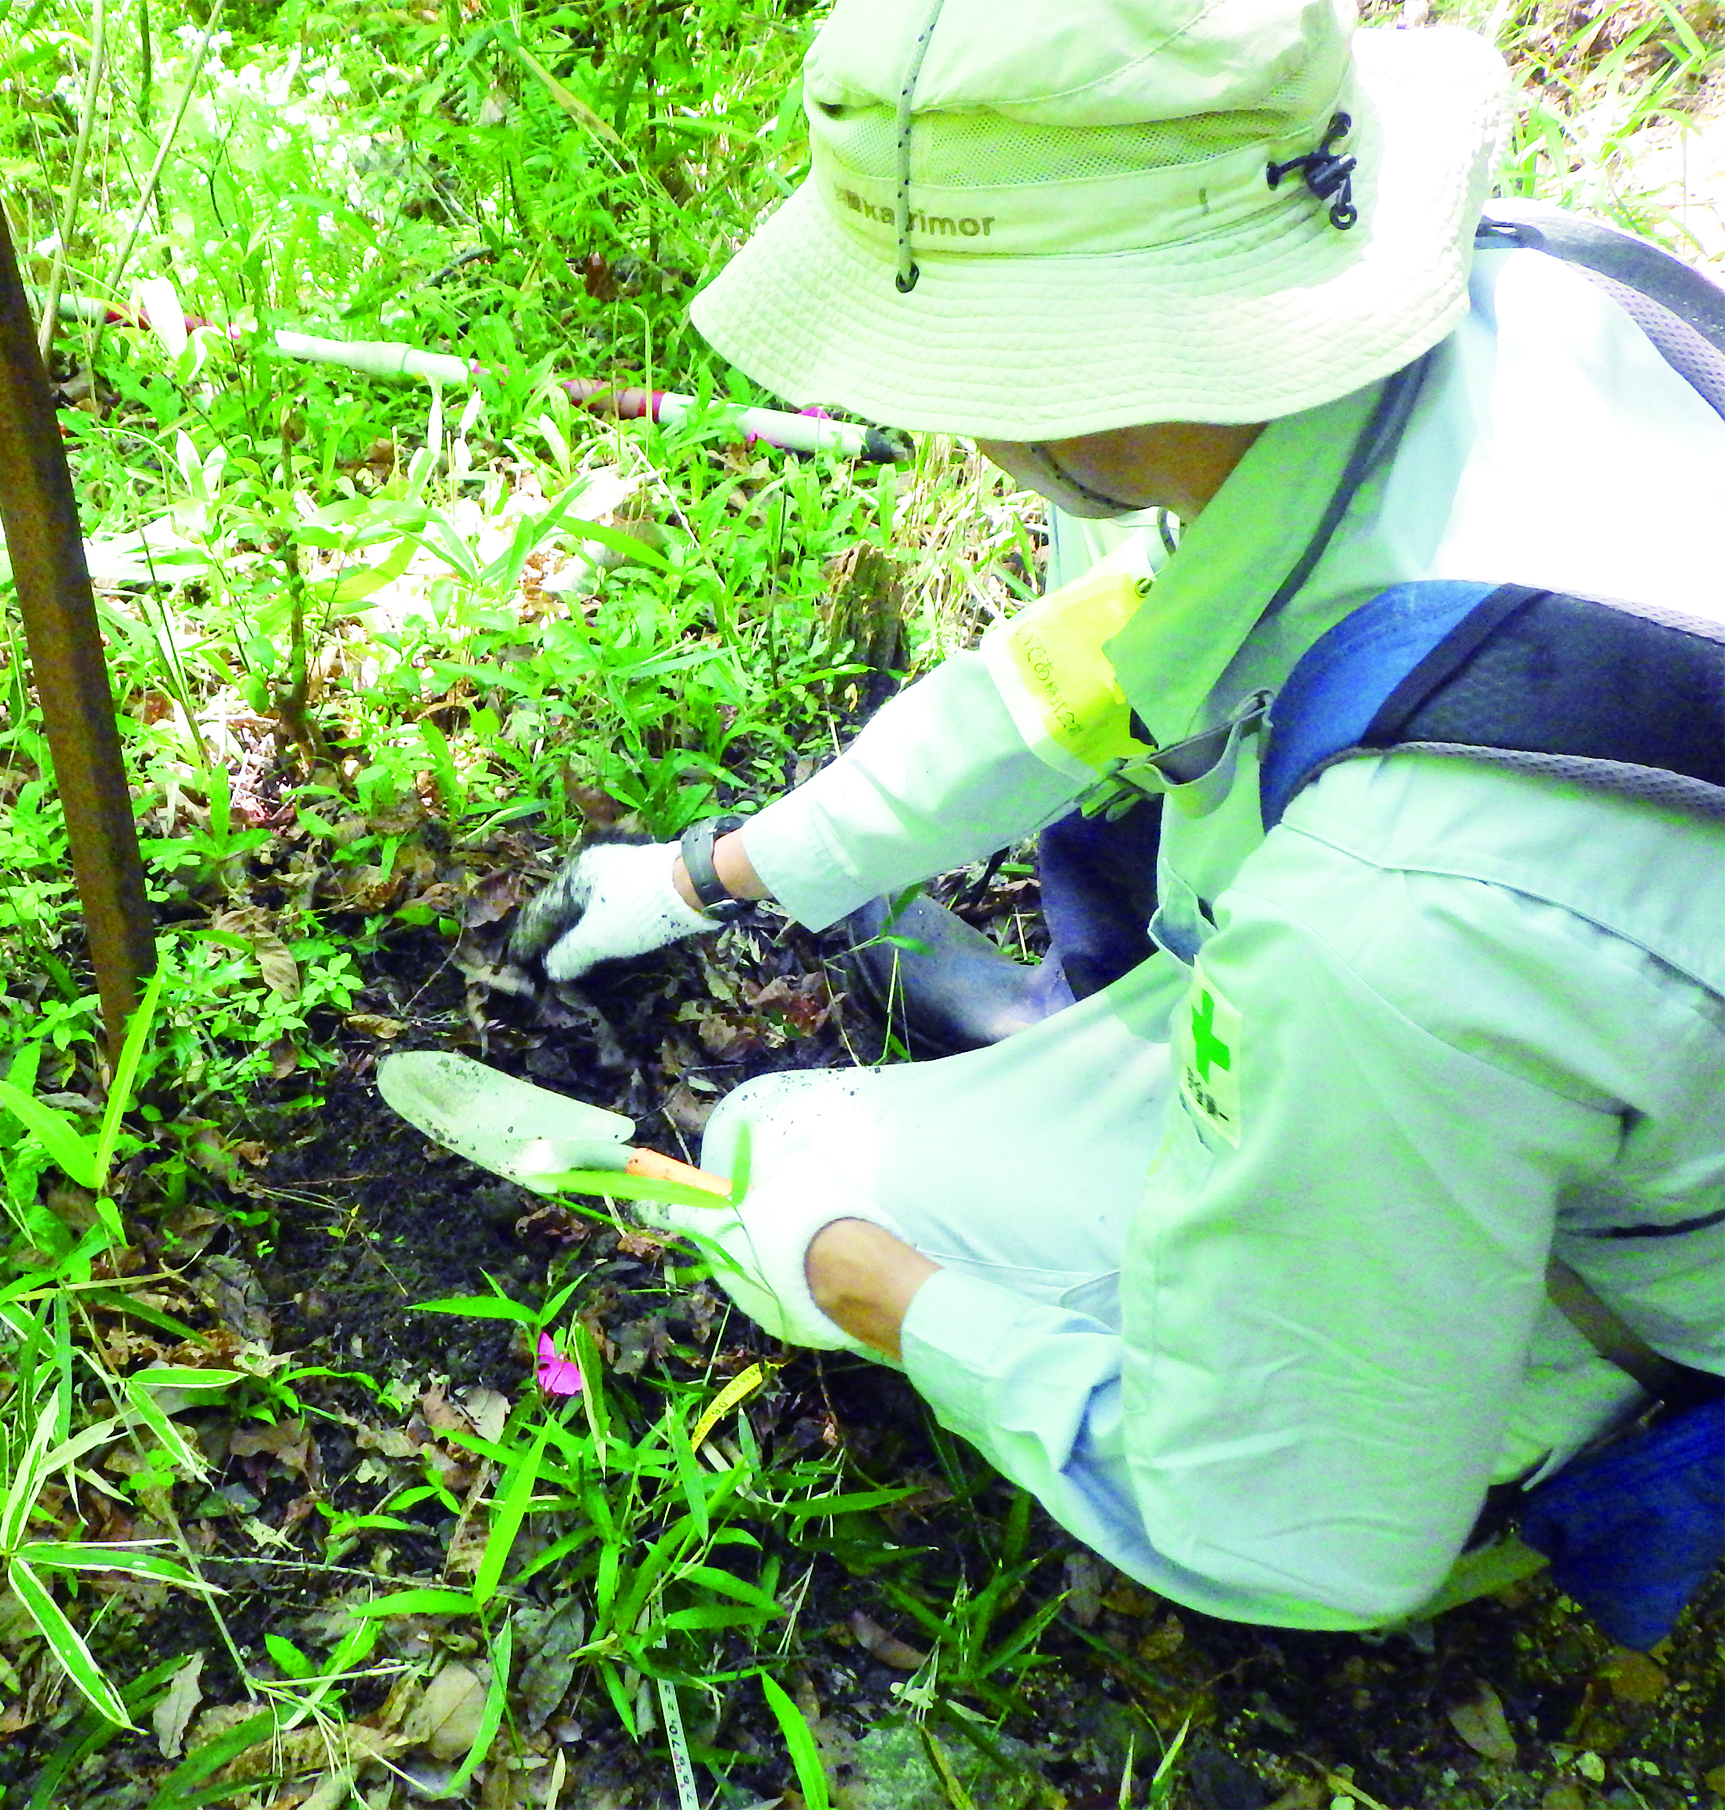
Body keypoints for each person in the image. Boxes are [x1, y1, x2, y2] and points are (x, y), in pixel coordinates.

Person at [509, 0, 1725, 1628]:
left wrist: (881, 1289)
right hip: (1546, 1016)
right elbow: (1089, 670)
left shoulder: (1389, 926)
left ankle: (1542, 1401)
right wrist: (712, 870)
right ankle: (1115, 1052)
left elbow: (1293, 1541)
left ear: (1068, 389)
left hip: (1606, 1237)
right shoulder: (1532, 308)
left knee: (769, 1156)